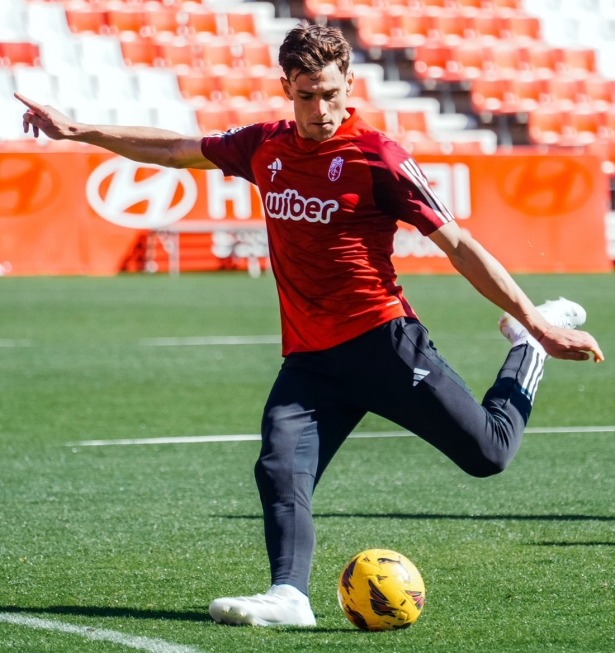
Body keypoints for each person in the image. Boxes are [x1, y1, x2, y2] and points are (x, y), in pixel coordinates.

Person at [16, 23, 603, 629]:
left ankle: (526, 348)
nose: (320, 109)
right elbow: (174, 150)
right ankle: (289, 595)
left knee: (488, 455)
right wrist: (78, 130)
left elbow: (458, 243)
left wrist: (535, 318)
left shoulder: (379, 157)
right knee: (277, 465)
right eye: (306, 95)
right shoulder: (263, 146)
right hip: (311, 358)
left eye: (329, 93)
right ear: (286, 89)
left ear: (349, 84)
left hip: (384, 342)